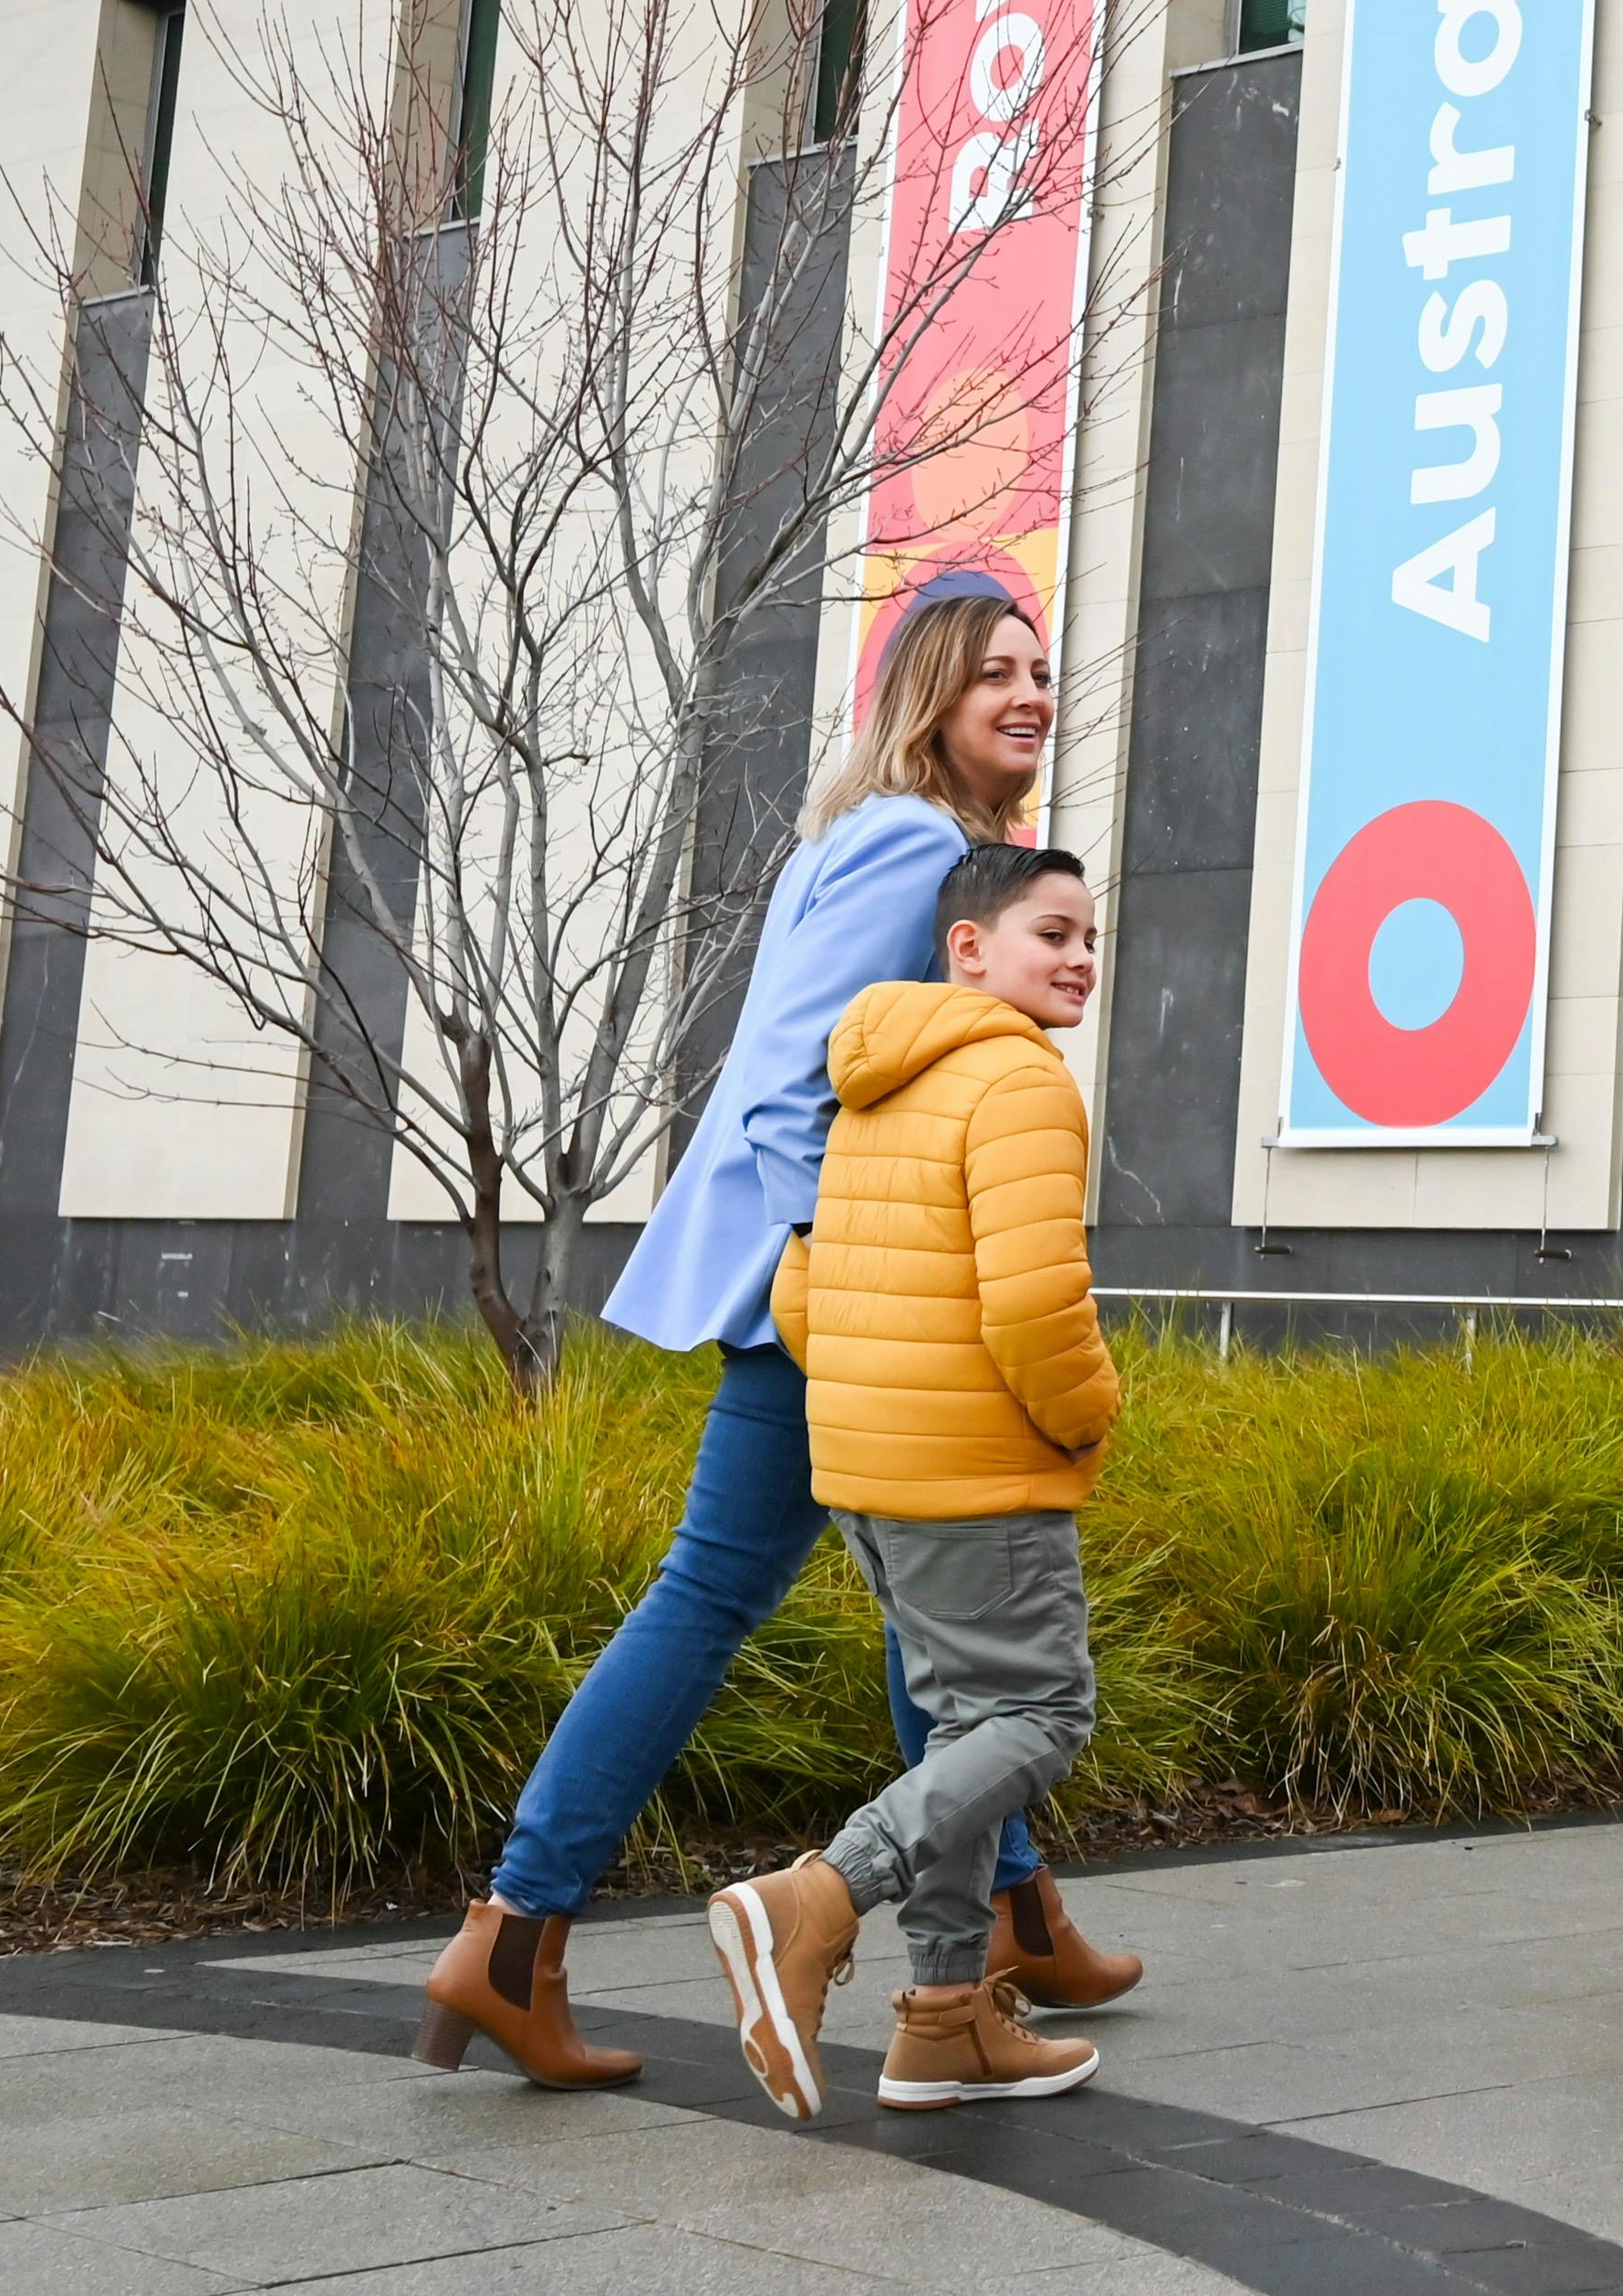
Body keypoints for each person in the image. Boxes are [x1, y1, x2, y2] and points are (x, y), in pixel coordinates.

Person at [415, 572, 1139, 2087]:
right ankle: (518, 1925)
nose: (1028, 693)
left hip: (832, 1290)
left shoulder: (912, 838)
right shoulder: (911, 843)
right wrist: (837, 1264)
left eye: (1037, 670)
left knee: (918, 1614)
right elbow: (789, 1080)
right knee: (726, 1595)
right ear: (928, 692)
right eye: (993, 672)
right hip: (821, 1296)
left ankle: (1010, 1920)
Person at [708, 842, 1119, 2117]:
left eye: (1090, 938)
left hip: (869, 1469)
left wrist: (879, 1399)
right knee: (1041, 1716)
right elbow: (1037, 1304)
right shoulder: (1021, 1079)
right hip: (978, 1470)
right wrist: (1086, 1420)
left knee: (962, 1731)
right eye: (1052, 932)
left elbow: (804, 1282)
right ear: (969, 948)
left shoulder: (877, 1079)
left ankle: (944, 2021)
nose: (1080, 958)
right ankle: (818, 1895)